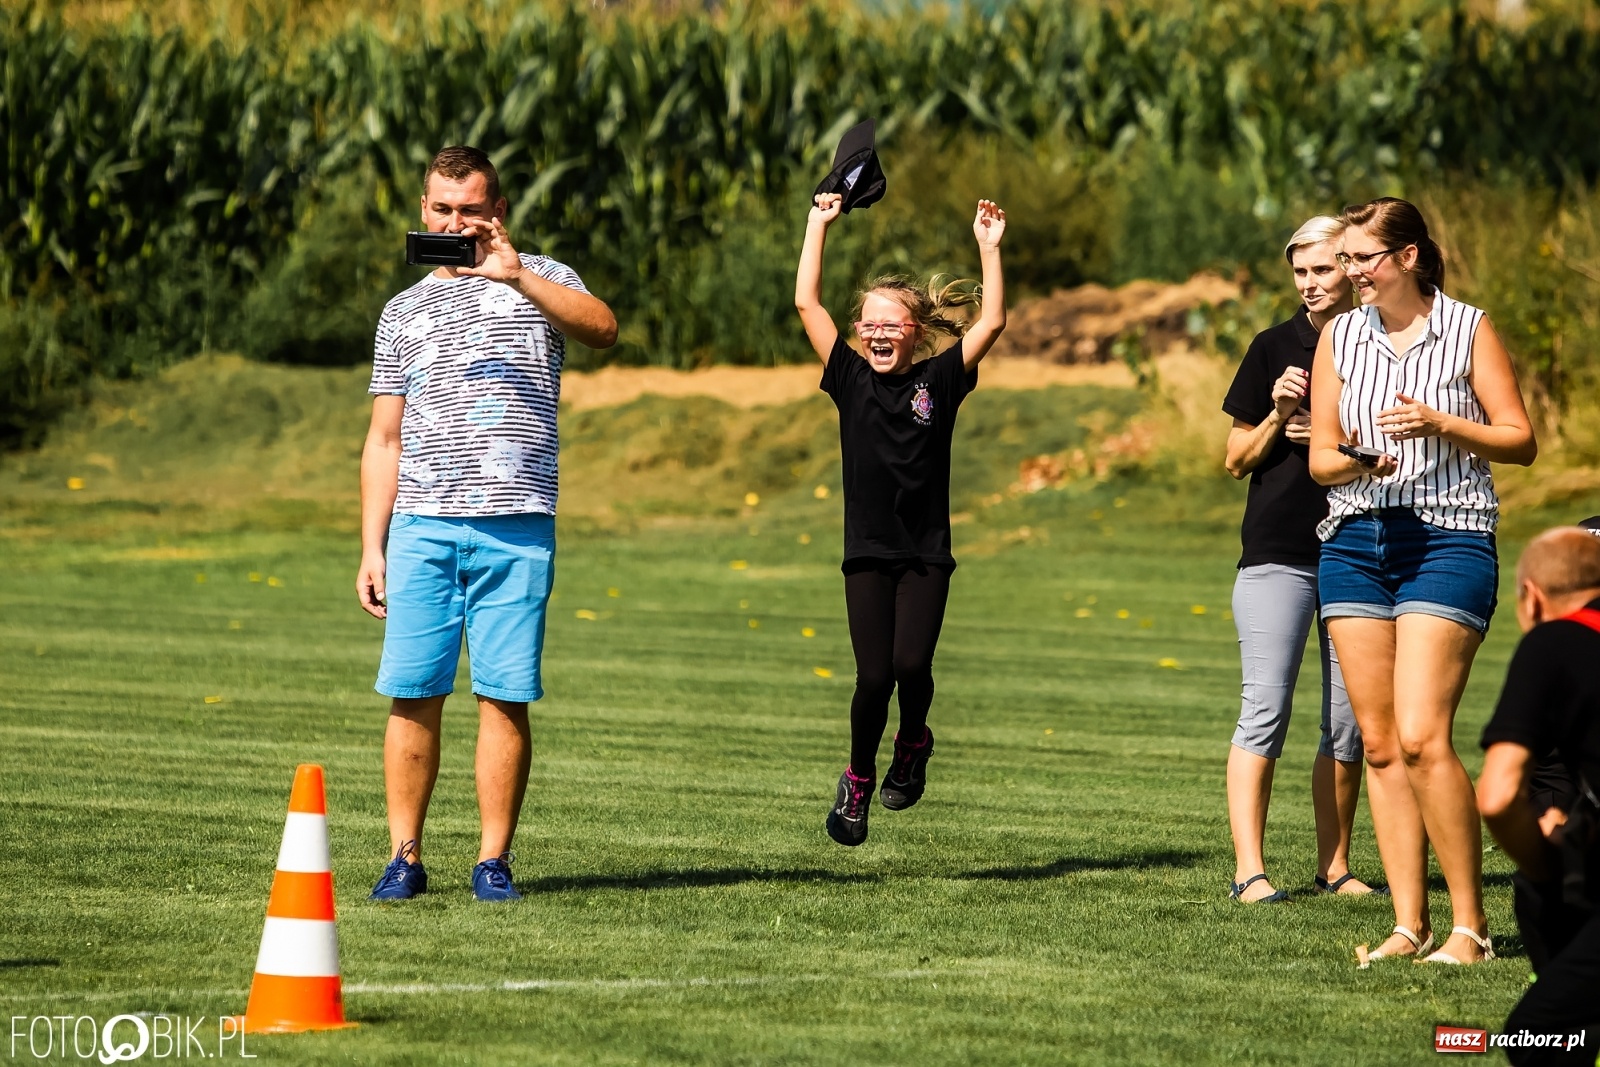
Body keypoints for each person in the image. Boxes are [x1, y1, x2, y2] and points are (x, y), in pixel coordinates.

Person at [356, 145, 618, 901]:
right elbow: (383, 439)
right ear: (423, 212)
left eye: (471, 209)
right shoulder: (403, 310)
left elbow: (604, 328)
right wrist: (372, 544)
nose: (456, 221)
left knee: (504, 694)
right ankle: (404, 856)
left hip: (517, 524)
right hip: (423, 526)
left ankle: (492, 860)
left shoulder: (544, 277)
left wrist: (517, 276)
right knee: (414, 690)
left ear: (497, 212)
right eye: (442, 209)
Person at [1309, 196, 1537, 964]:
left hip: (1449, 538)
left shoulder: (1469, 327)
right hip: (1354, 540)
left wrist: (1444, 424)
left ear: (1407, 256)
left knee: (1420, 736)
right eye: (1345, 260)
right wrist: (1364, 459)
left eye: (1362, 258)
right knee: (1377, 745)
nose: (1351, 274)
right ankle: (1410, 925)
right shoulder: (1339, 334)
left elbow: (1519, 438)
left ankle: (1470, 928)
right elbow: (1320, 459)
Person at [794, 192, 1006, 845]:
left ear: (915, 330)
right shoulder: (850, 378)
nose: (878, 333)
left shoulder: (939, 382)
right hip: (866, 552)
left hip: (925, 554)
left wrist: (989, 248)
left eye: (892, 324)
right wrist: (818, 223)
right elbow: (807, 302)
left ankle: (912, 741)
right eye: (869, 324)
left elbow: (992, 322)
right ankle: (858, 781)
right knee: (873, 676)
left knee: (912, 667)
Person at [1220, 216, 1380, 903]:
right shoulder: (1271, 348)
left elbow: (1395, 446)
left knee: (1350, 720)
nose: (1310, 284)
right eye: (1301, 272)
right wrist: (1276, 413)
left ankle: (1335, 865)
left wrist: (1336, 440)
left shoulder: (1381, 344)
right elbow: (1234, 461)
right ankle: (1248, 871)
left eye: (1322, 269)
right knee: (1265, 709)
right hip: (1278, 554)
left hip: (1361, 548)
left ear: (1351, 268)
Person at [1477, 528, 1600, 1065]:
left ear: (1530, 596)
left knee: (1535, 1034)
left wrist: (1547, 862)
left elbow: (1498, 797)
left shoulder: (1554, 641)